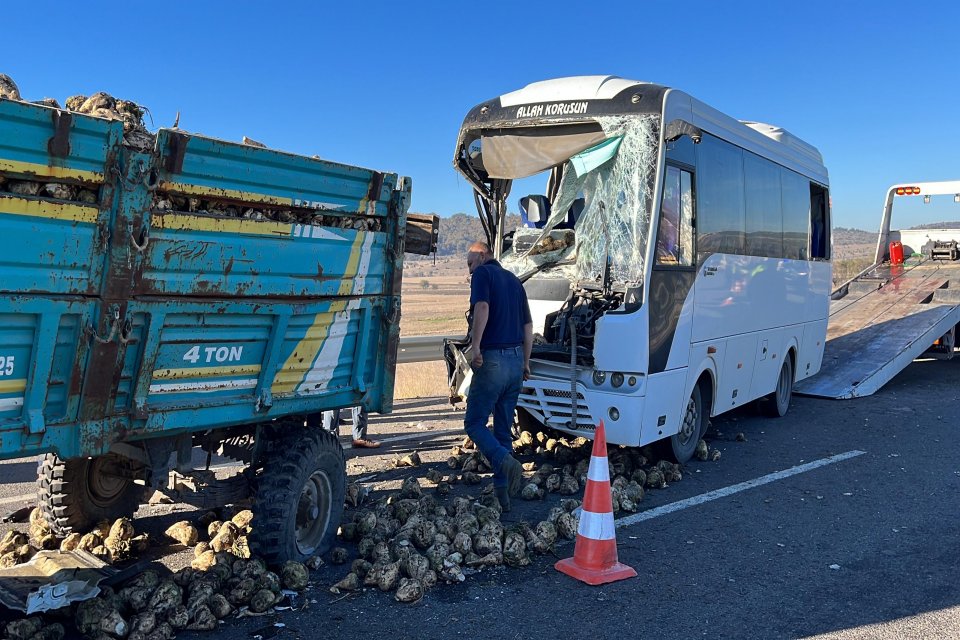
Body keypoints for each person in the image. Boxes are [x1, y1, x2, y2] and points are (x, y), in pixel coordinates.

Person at [463, 241, 533, 511]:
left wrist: (476, 347)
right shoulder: (515, 281)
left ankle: (505, 461)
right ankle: (504, 499)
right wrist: (525, 363)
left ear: (482, 256)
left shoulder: (484, 274)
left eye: (470, 263)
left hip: (493, 360)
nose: (469, 271)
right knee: (503, 430)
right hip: (516, 362)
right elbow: (528, 327)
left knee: (475, 423)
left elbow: (482, 308)